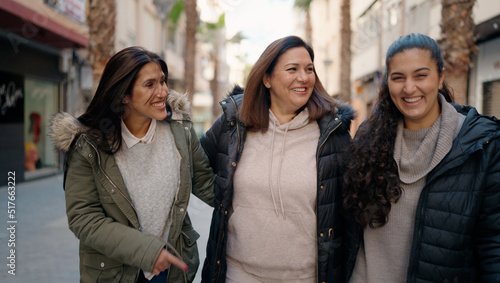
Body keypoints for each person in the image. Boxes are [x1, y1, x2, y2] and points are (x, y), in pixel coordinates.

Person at [343, 33, 500, 282]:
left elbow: (493, 246)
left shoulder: (480, 145)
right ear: (387, 84)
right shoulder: (367, 138)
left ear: (441, 77)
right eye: (398, 78)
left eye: (420, 75)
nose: (409, 87)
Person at [49, 46, 215, 283]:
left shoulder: (181, 131)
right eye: (150, 85)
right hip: (112, 272)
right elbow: (84, 218)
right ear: (124, 94)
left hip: (170, 269)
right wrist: (147, 251)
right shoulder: (90, 145)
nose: (163, 92)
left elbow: (208, 186)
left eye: (163, 81)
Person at [200, 35, 354, 283]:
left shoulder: (333, 134)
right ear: (267, 78)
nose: (303, 78)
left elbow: (350, 210)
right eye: (292, 69)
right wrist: (221, 197)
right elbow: (194, 166)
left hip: (305, 277)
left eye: (309, 69)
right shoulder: (234, 125)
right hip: (237, 274)